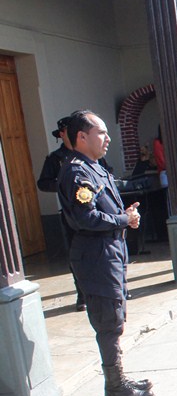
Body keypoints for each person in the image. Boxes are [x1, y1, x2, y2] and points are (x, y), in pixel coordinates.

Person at [56, 110, 154, 396]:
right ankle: (115, 386)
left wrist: (126, 216)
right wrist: (123, 220)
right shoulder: (76, 172)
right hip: (95, 256)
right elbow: (85, 218)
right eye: (101, 132)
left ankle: (119, 378)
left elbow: (107, 206)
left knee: (115, 317)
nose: (107, 138)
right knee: (108, 321)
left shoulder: (94, 167)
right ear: (81, 137)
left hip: (109, 252)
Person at [38, 115, 89, 312]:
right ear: (62, 134)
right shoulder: (55, 159)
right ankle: (82, 294)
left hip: (95, 210)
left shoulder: (88, 152)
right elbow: (43, 183)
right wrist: (64, 183)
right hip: (71, 214)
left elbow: (107, 171)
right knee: (77, 255)